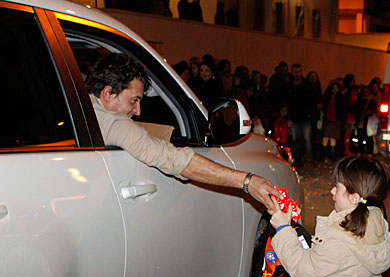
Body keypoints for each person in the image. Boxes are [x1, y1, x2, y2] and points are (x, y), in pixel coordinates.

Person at [85, 53, 277, 210]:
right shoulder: (116, 124)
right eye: (134, 100)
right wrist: (247, 181)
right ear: (109, 93)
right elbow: (177, 160)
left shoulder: (81, 108)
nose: (138, 111)